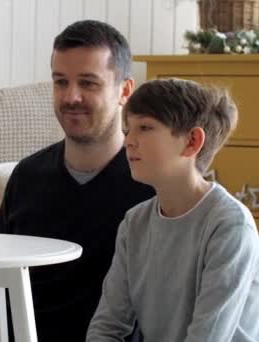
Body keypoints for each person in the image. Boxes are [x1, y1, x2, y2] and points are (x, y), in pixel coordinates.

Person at [0, 20, 154, 342]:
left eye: (88, 83)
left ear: (125, 90)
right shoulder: (28, 175)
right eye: (60, 81)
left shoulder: (150, 182)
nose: (71, 97)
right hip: (4, 327)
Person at [86, 78, 259, 341]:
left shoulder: (230, 225)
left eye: (144, 127)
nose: (128, 141)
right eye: (128, 129)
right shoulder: (134, 223)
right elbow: (107, 327)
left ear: (192, 141)